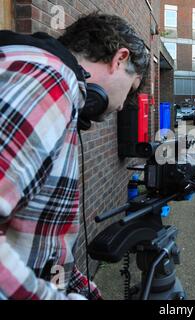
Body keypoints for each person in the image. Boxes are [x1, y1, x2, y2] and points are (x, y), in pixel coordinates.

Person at [0, 13, 150, 300]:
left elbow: (39, 241)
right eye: (129, 90)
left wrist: (80, 288)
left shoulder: (48, 81)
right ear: (119, 59)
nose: (121, 107)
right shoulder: (47, 81)